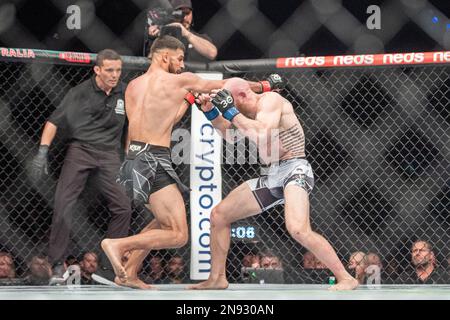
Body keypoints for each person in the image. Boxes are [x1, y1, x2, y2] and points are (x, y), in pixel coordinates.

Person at [101, 36, 277, 289]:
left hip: (133, 158)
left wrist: (187, 99)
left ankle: (127, 272)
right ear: (164, 56)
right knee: (178, 235)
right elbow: (227, 84)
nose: (182, 65)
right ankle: (117, 244)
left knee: (163, 222)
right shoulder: (180, 80)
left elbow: (165, 121)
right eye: (180, 58)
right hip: (154, 160)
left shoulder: (133, 86)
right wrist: (263, 86)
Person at [188, 78, 358, 290]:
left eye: (227, 99)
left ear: (240, 96)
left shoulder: (270, 100)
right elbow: (230, 136)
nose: (226, 104)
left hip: (294, 169)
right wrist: (210, 111)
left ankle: (345, 277)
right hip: (272, 175)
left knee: (298, 229)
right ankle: (217, 278)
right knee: (219, 215)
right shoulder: (246, 113)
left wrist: (231, 111)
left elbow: (260, 133)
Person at [29, 49, 132, 272]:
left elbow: (130, 126)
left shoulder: (125, 91)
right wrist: (42, 152)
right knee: (63, 203)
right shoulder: (80, 92)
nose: (115, 75)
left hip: (110, 154)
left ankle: (111, 263)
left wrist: (129, 156)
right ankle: (56, 261)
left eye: (118, 70)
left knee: (123, 206)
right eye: (110, 70)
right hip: (81, 150)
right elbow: (53, 121)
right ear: (97, 70)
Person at [145, 0, 217, 62]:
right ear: (172, 15)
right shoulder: (164, 37)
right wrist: (153, 39)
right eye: (180, 13)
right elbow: (151, 62)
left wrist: (187, 34)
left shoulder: (200, 38)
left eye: (187, 13)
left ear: (192, 14)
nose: (184, 18)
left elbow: (212, 53)